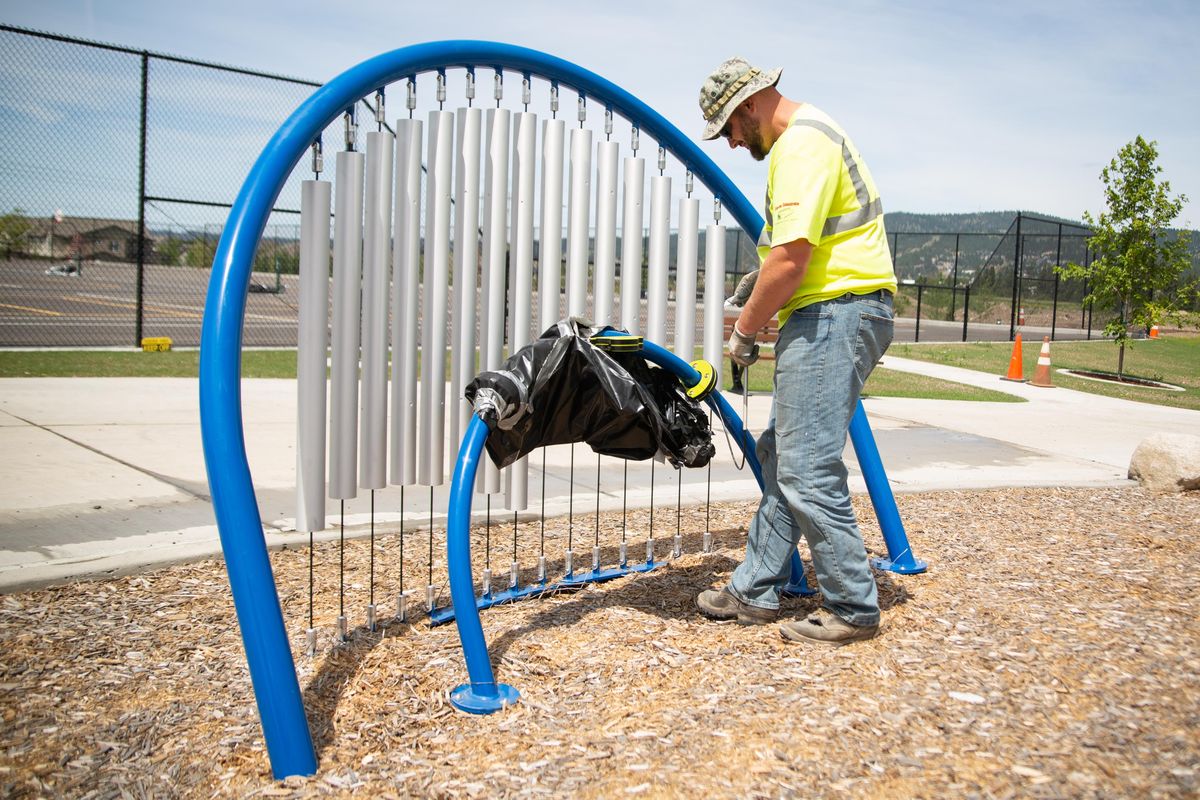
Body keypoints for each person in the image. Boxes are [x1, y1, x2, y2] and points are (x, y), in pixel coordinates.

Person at [694, 57, 897, 645]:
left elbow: (791, 261)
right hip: (836, 308)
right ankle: (755, 588)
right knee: (781, 453)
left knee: (807, 468)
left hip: (836, 312)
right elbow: (786, 252)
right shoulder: (806, 140)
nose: (731, 142)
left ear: (751, 103)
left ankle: (853, 606)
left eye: (729, 127)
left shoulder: (802, 146)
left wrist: (745, 330)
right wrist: (755, 287)